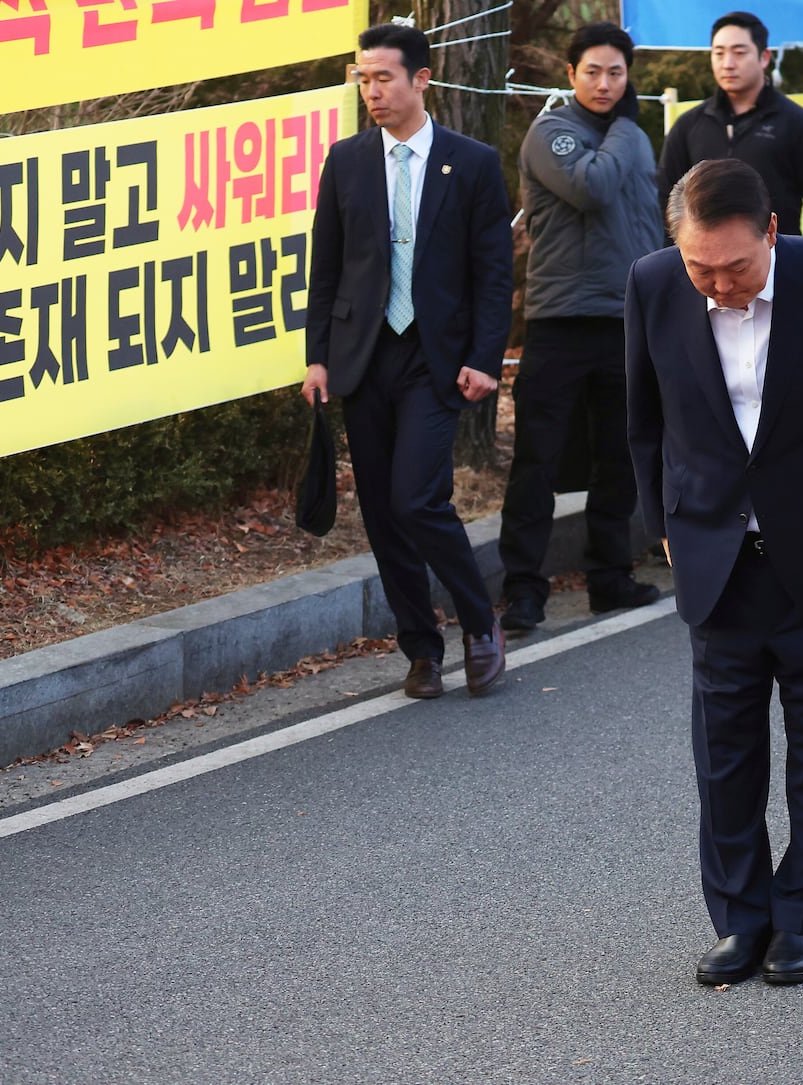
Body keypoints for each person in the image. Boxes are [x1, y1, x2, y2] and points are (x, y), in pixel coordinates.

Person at [625, 159, 803, 987]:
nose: (718, 284)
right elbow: (644, 421)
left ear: (773, 232)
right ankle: (739, 919)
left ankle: (801, 918)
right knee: (725, 753)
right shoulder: (652, 283)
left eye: (737, 267)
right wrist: (665, 524)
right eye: (701, 267)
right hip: (716, 555)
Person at [302, 23, 510, 699]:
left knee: (418, 498)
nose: (372, 91)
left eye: (383, 77)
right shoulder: (347, 160)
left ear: (422, 79)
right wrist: (317, 360)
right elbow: (325, 269)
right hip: (363, 357)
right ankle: (421, 648)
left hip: (436, 356)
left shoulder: (472, 162)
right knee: (384, 514)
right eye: (362, 78)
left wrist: (485, 356)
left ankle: (481, 623)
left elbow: (493, 271)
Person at [497, 23, 663, 632]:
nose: (603, 82)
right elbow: (591, 188)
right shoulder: (553, 131)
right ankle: (523, 590)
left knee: (620, 456)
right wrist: (624, 125)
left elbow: (652, 221)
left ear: (628, 76)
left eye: (615, 73)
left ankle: (610, 578)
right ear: (570, 75)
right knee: (538, 460)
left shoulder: (636, 138)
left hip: (625, 318)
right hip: (561, 318)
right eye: (592, 71)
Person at [657, 11, 803, 246]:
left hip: (778, 265)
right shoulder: (688, 126)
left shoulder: (800, 125)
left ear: (764, 57)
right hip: (703, 267)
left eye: (739, 52)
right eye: (719, 53)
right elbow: (666, 204)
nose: (728, 64)